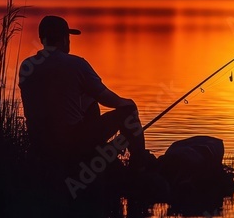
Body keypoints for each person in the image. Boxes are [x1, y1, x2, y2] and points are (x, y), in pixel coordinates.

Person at [19, 15, 152, 179]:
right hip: (71, 142)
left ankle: (105, 156)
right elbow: (108, 99)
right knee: (128, 111)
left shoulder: (26, 66)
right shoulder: (76, 64)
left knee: (89, 101)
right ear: (64, 39)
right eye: (68, 37)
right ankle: (139, 170)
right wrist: (129, 103)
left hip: (40, 142)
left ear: (42, 39)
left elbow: (53, 100)